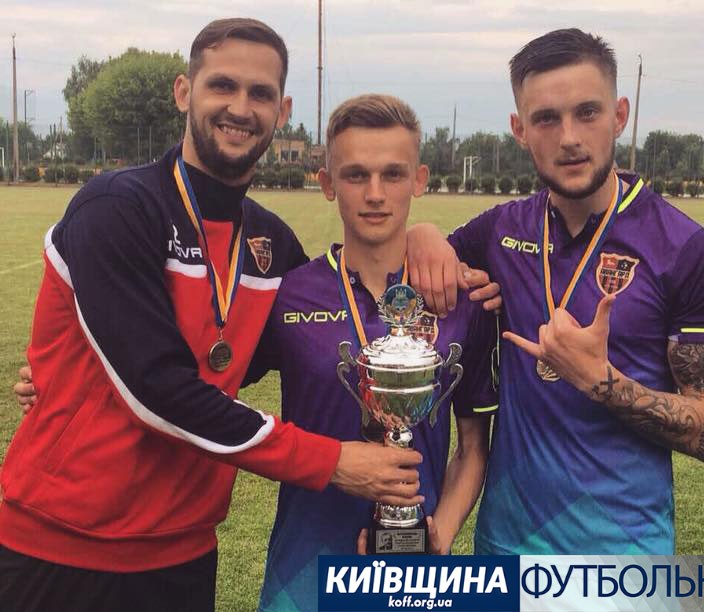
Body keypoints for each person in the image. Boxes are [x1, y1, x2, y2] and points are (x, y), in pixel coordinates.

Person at [0, 19, 427, 612]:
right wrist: (330, 462)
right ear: (184, 92)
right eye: (222, 85)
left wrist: (426, 239)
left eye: (261, 94)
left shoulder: (271, 244)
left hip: (183, 555)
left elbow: (322, 325)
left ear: (283, 112)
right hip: (59, 546)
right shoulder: (117, 207)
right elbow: (157, 390)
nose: (240, 108)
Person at [409, 28, 704, 554]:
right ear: (519, 129)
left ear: (620, 115)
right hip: (505, 548)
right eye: (546, 118)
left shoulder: (688, 249)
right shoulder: (499, 231)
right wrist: (421, 235)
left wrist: (599, 380)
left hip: (624, 558)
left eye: (587, 112)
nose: (568, 137)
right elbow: (424, 265)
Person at [246, 94, 498, 611]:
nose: (376, 194)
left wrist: (441, 534)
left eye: (393, 174)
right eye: (357, 175)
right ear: (328, 184)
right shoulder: (288, 294)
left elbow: (473, 448)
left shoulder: (461, 299)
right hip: (304, 573)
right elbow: (210, 382)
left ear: (419, 180)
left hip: (415, 572)